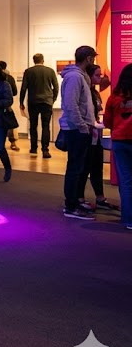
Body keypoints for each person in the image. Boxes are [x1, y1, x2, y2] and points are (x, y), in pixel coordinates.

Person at [59, 45, 99, 220]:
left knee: (79, 167)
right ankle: (71, 205)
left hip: (79, 128)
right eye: (93, 58)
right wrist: (83, 126)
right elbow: (70, 105)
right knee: (75, 168)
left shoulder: (80, 77)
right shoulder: (75, 77)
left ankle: (75, 200)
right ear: (88, 59)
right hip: (76, 130)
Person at [76, 64, 114, 211]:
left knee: (97, 165)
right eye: (97, 75)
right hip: (87, 133)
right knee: (84, 167)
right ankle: (79, 198)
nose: (100, 78)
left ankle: (100, 197)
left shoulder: (95, 93)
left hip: (95, 134)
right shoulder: (86, 93)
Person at [103, 64, 132, 231]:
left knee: (126, 182)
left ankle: (128, 219)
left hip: (121, 141)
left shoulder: (114, 97)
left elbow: (107, 121)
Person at [20, 53, 59, 158]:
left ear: (34, 60)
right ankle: (45, 150)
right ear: (43, 60)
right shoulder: (50, 71)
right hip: (47, 102)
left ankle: (33, 148)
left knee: (33, 125)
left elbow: (24, 88)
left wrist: (21, 102)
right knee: (45, 126)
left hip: (33, 101)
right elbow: (56, 87)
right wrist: (53, 99)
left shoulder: (29, 71)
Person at [0, 60, 20, 151]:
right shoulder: (10, 78)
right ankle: (13, 142)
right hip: (7, 104)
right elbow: (14, 92)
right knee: (10, 123)